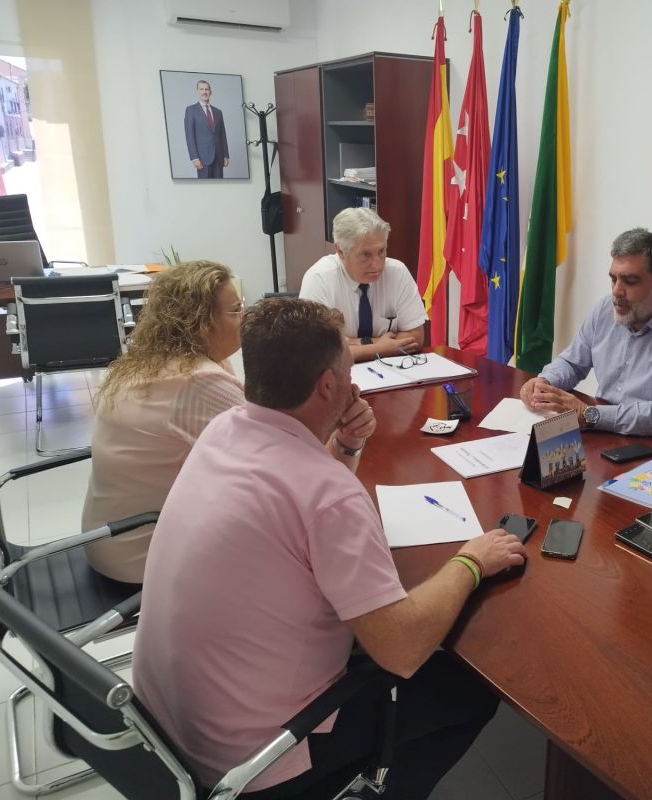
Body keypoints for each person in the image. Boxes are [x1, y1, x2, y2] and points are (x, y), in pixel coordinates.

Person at [132, 298, 527, 799]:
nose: (355, 382)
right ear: (326, 385)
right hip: (253, 765)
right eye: (347, 369)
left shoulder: (224, 429)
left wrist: (343, 447)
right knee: (466, 689)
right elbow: (401, 650)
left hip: (168, 732)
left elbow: (301, 513)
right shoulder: (327, 496)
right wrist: (471, 561)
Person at [81, 261, 244, 584]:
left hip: (107, 539)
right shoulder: (197, 381)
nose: (245, 318)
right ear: (203, 323)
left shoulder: (149, 360)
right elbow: (273, 458)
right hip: (144, 554)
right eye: (236, 310)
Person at [519, 228, 652, 438]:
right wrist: (545, 384)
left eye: (630, 281)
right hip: (611, 433)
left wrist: (589, 415)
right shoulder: (606, 309)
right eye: (613, 279)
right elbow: (572, 363)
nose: (616, 291)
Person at [299, 207, 427, 362]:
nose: (377, 264)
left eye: (381, 251)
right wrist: (379, 346)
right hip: (337, 378)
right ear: (340, 251)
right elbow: (317, 352)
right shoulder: (319, 278)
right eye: (365, 254)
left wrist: (351, 344)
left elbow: (416, 337)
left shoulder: (397, 272)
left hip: (392, 372)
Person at [184, 79, 229, 178]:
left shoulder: (218, 112)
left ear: (210, 92)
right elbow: (189, 136)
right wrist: (194, 157)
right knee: (205, 189)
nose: (204, 92)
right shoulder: (191, 110)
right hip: (202, 158)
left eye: (207, 89)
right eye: (201, 89)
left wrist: (225, 155)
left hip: (219, 157)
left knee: (220, 188)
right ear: (198, 92)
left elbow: (222, 135)